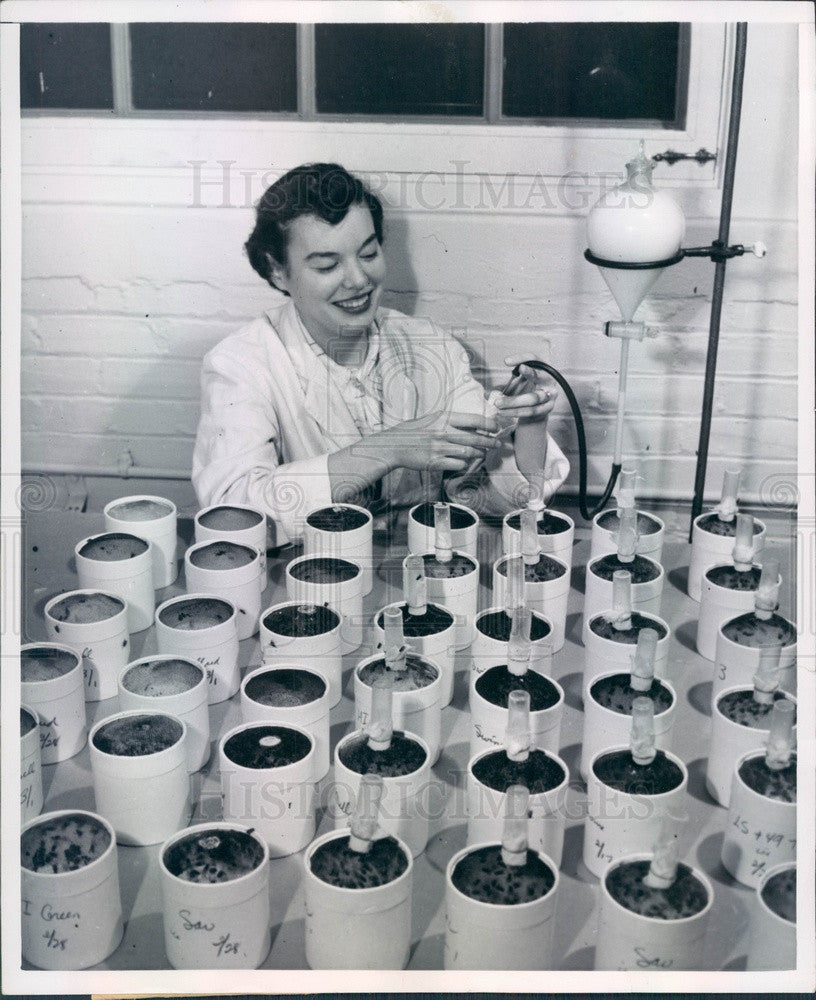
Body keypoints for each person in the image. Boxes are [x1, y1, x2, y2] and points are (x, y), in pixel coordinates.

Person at [193, 163, 569, 545]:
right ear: (277, 272)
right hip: (305, 580)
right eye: (328, 264)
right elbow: (232, 518)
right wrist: (386, 449)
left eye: (368, 254)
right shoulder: (241, 364)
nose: (358, 280)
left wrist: (529, 427)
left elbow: (483, 499)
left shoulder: (428, 345)